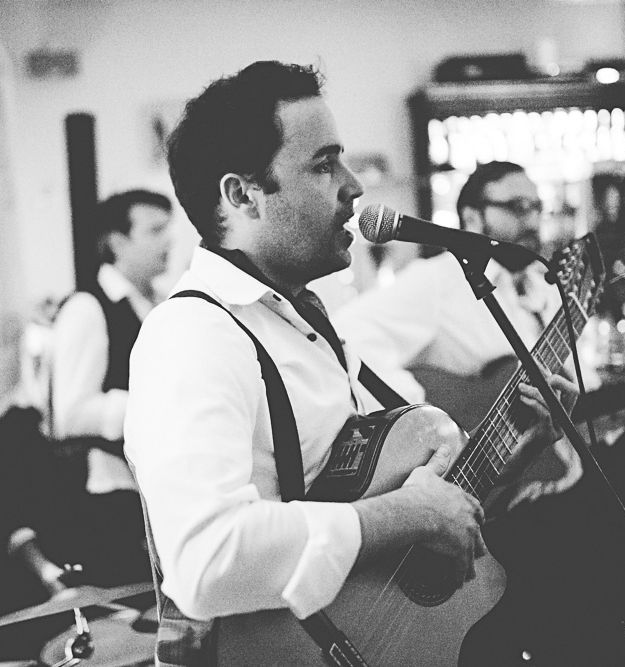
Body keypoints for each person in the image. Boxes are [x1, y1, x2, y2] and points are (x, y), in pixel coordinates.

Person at [123, 61, 575, 664]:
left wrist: (520, 452)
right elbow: (205, 560)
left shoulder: (313, 323)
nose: (354, 184)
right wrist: (402, 515)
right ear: (242, 195)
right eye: (323, 163)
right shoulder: (193, 334)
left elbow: (409, 527)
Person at [334, 161, 582, 509]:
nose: (532, 219)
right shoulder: (438, 280)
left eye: (537, 207)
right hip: (497, 504)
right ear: (472, 217)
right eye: (517, 207)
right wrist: (429, 425)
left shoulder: (539, 291)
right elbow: (346, 337)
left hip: (546, 480)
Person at [50, 188, 172, 585]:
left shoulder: (157, 304)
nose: (168, 241)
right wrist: (153, 406)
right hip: (111, 494)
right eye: (154, 231)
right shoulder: (87, 308)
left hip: (155, 489)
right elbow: (69, 414)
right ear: (118, 242)